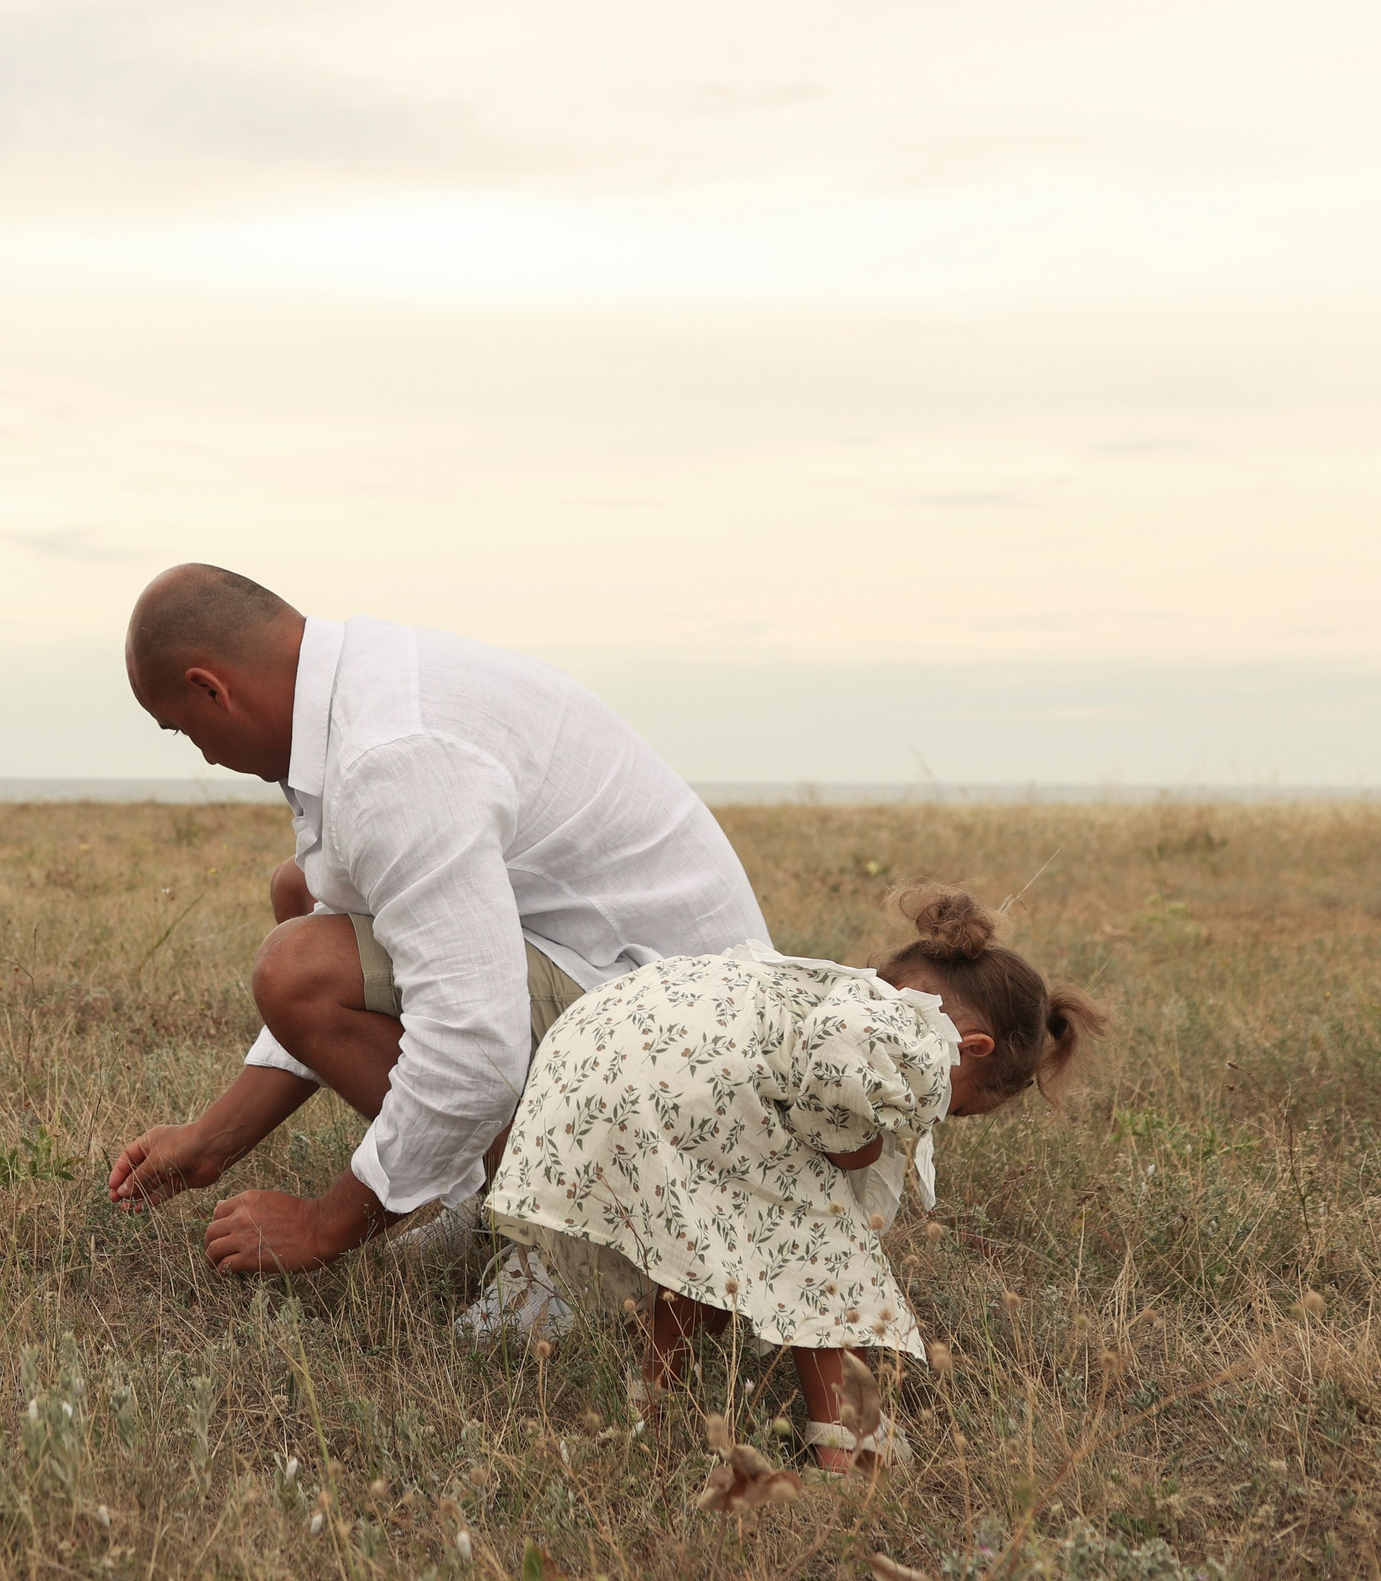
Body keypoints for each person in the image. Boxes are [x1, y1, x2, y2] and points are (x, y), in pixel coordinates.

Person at [104, 563, 769, 1306]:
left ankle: (591, 1244)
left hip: (698, 1070)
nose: (204, 756)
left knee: (298, 966)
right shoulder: (363, 681)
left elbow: (474, 1045)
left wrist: (326, 1224)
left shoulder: (389, 757)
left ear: (210, 689)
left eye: (184, 730)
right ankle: (501, 1195)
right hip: (641, 993)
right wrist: (212, 1139)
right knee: (302, 891)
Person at [484, 887, 1109, 1470]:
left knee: (716, 1233)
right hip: (680, 1083)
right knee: (826, 1254)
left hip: (603, 1045)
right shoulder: (917, 1036)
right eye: (959, 1107)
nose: (938, 1117)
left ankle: (654, 1399)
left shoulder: (836, 988)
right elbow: (835, 1055)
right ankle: (850, 1442)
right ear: (972, 1048)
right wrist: (856, 1148)